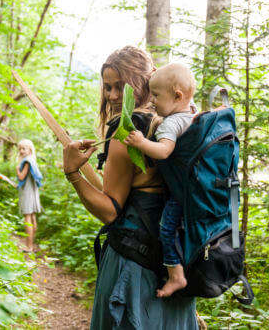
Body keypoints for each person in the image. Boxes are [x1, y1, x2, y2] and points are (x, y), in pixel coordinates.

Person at [63, 46, 198, 329]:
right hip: (175, 267)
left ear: (143, 81)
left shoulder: (128, 130)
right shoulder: (176, 124)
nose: (112, 96)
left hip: (133, 267)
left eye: (120, 87)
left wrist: (73, 172)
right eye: (107, 87)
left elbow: (110, 210)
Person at [124, 63, 196, 298]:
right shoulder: (193, 114)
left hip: (181, 193)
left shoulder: (172, 123)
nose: (152, 101)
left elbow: (164, 151)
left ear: (177, 96)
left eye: (156, 95)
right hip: (196, 190)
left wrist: (140, 143)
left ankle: (176, 276)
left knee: (166, 230)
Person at [16, 139, 42, 253]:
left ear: (30, 149)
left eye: (24, 148)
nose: (21, 151)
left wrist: (17, 169)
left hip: (27, 193)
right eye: (20, 149)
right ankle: (31, 245)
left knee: (27, 217)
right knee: (32, 217)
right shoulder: (33, 160)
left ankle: (29, 247)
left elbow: (21, 177)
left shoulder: (26, 161)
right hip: (33, 192)